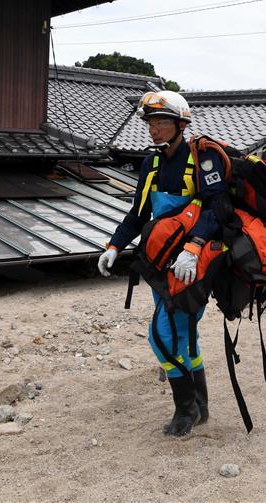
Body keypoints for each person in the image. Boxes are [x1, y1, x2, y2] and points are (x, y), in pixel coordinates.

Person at [97, 91, 229, 436]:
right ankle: (200, 407)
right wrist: (115, 245)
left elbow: (216, 209)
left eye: (162, 123)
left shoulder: (202, 160)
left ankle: (184, 412)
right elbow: (139, 213)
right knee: (184, 336)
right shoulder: (151, 163)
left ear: (181, 125)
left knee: (163, 335)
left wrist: (195, 246)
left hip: (192, 262)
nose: (154, 130)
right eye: (151, 123)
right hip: (160, 261)